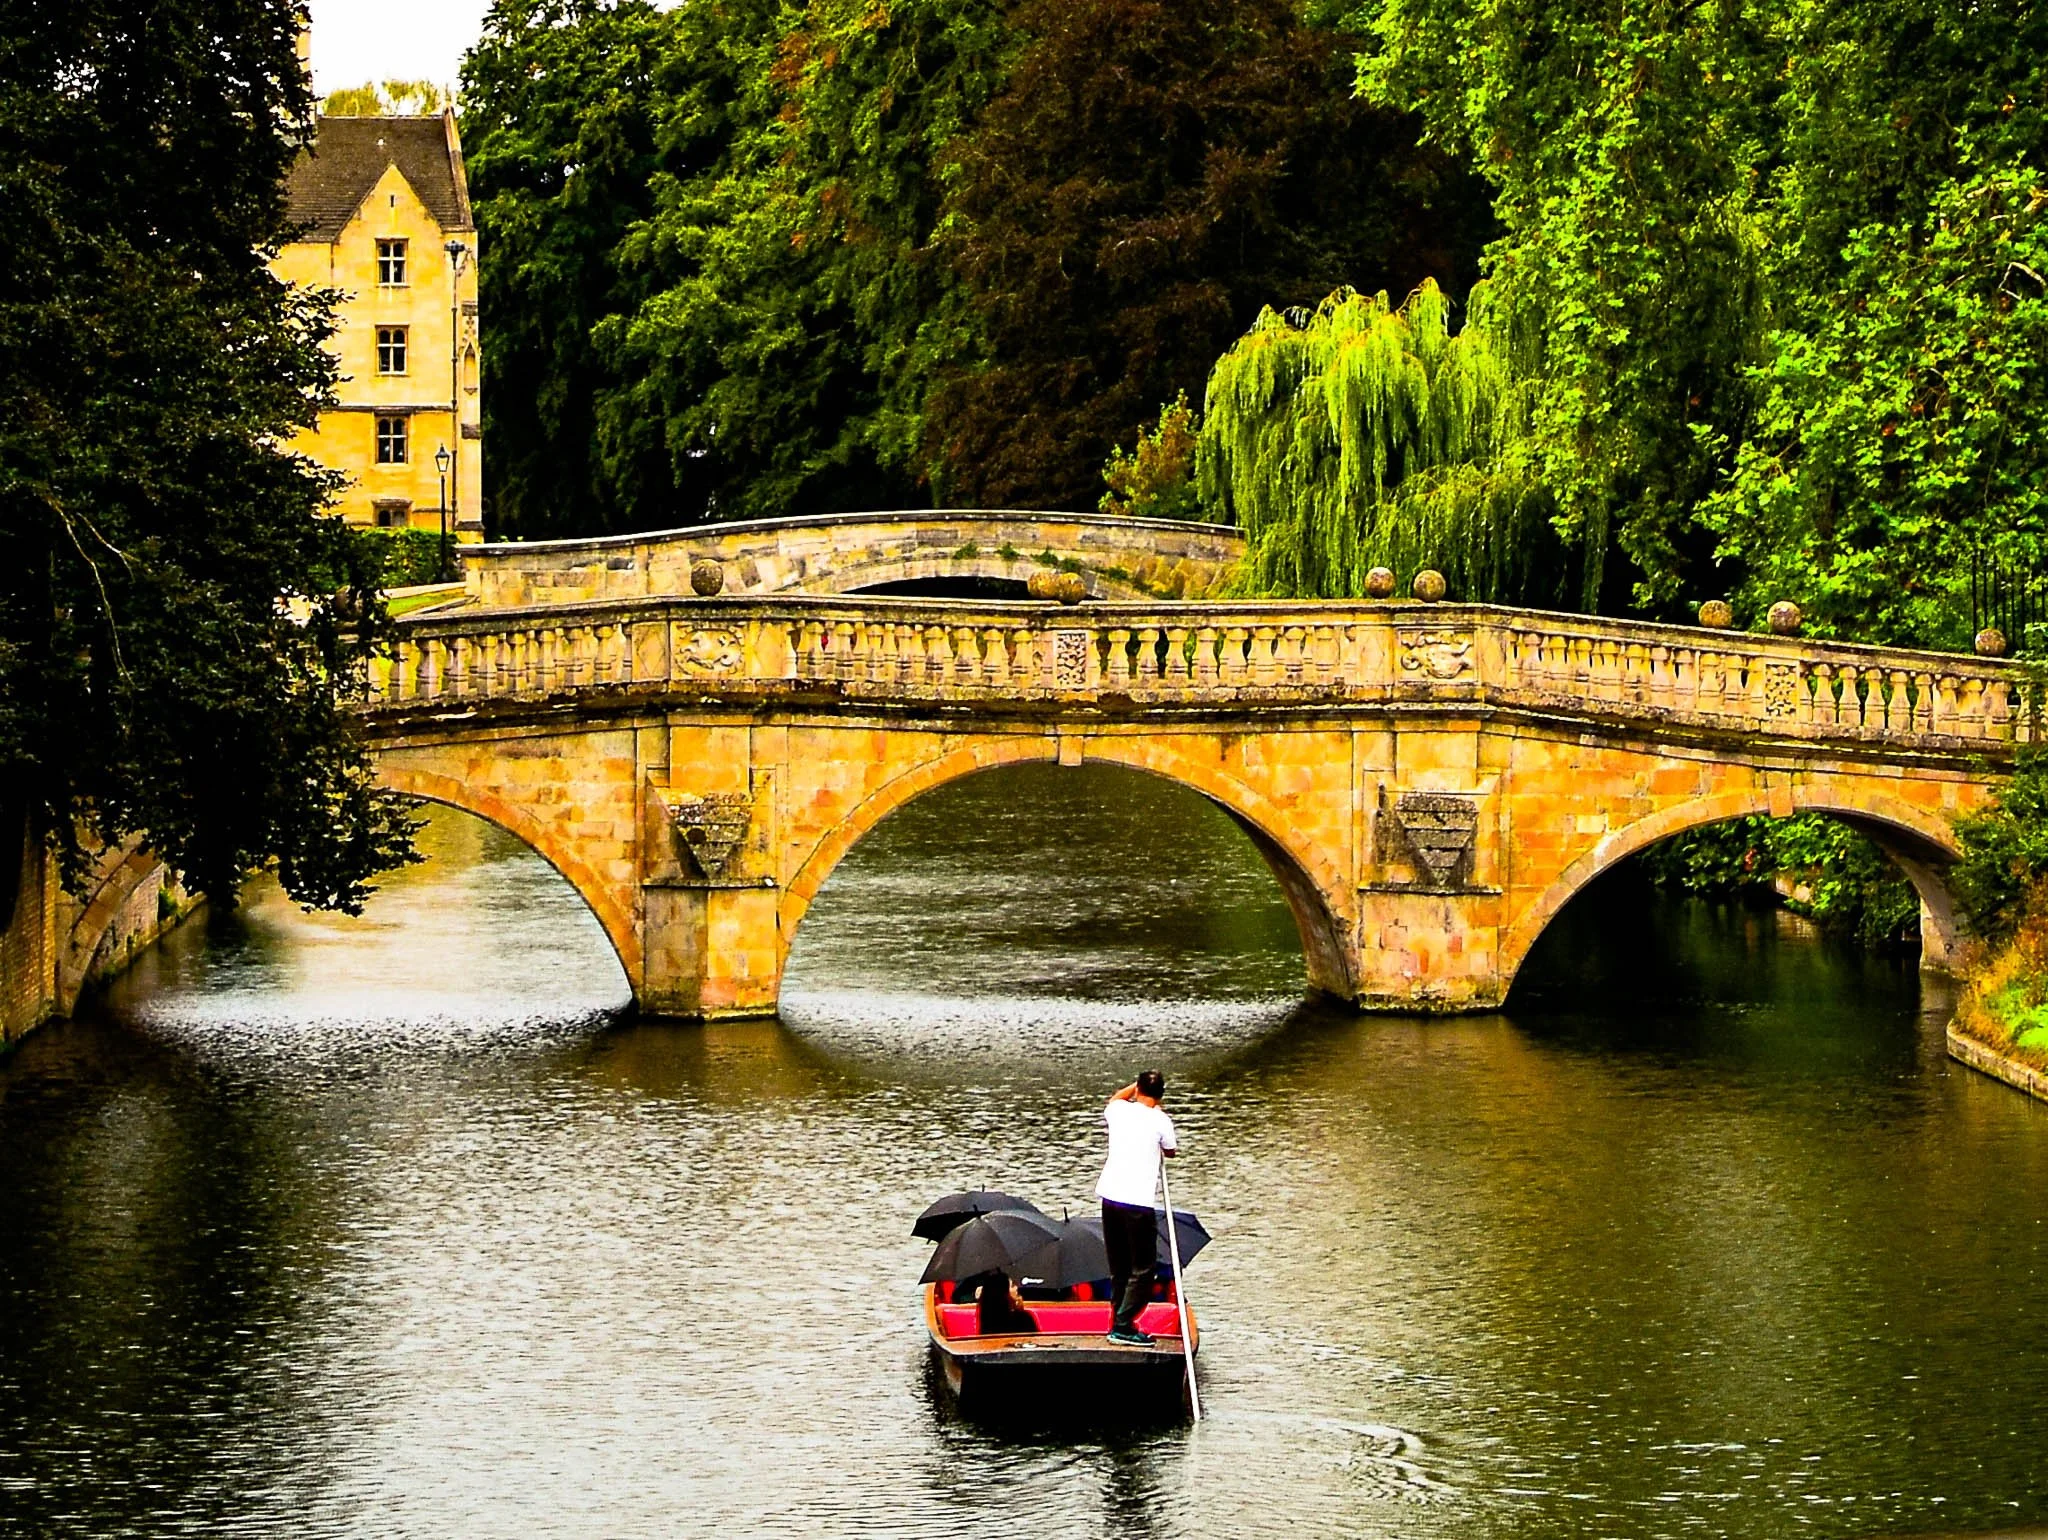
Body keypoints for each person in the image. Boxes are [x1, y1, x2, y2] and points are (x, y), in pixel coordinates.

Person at [1095, 1069, 1177, 1346]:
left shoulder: (1119, 1111)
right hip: (1137, 1204)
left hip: (1110, 1198)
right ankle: (1122, 1324)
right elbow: (1171, 1150)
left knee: (1119, 1267)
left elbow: (1114, 1099)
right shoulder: (1161, 1120)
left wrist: (1135, 1087)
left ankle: (1117, 1322)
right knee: (1143, 1269)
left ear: (1138, 1088)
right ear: (1161, 1094)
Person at [970, 1271, 1038, 1336]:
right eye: (1012, 1286)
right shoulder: (1024, 1319)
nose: (1016, 1288)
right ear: (1003, 1293)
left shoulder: (987, 1318)